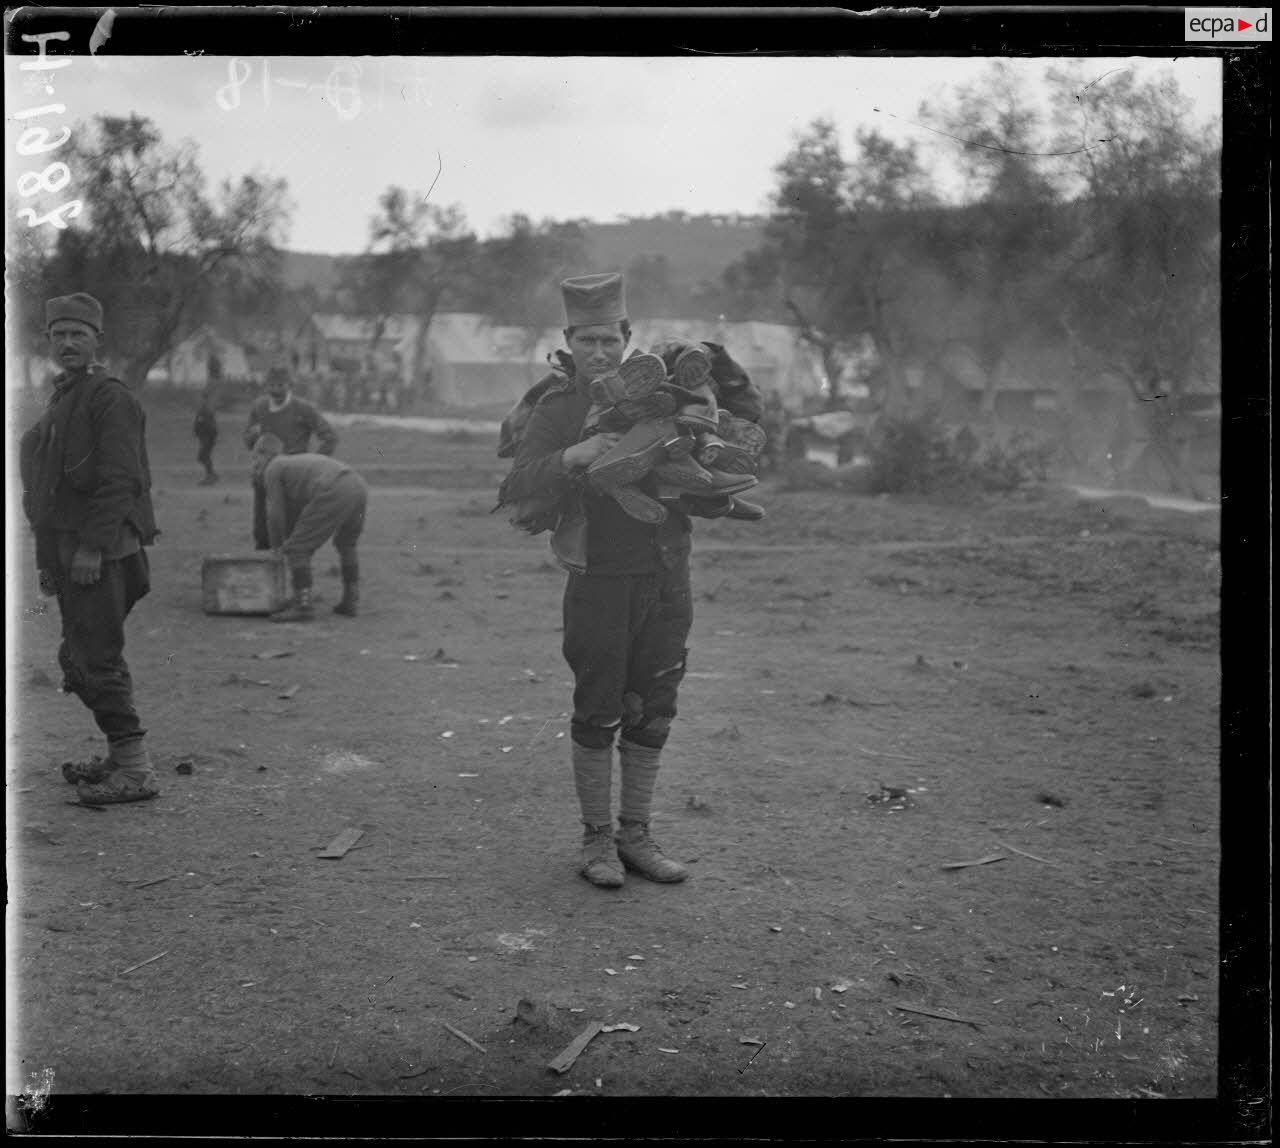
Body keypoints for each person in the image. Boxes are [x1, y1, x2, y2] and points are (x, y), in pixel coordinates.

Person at [498, 271, 750, 891]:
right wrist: (572, 457)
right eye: (586, 341)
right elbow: (517, 483)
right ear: (569, 340)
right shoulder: (556, 408)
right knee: (598, 704)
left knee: (656, 702)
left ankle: (637, 834)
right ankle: (596, 842)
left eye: (609, 340)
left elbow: (729, 416)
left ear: (627, 336)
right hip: (598, 576)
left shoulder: (662, 391)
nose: (599, 352)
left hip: (666, 570)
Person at [18, 292, 161, 804]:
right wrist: (47, 562)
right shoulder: (65, 396)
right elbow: (46, 493)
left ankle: (137, 771)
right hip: (69, 553)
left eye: (79, 333)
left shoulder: (109, 397)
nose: (68, 342)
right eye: (59, 334)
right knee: (81, 659)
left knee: (94, 659)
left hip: (103, 554)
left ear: (98, 340)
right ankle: (120, 756)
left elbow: (120, 481)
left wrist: (93, 549)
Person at [251, 434, 367, 622]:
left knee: (297, 548)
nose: (254, 465)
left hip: (335, 487)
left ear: (265, 454)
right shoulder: (293, 466)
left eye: (255, 458)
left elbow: (274, 515)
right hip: (358, 485)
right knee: (346, 544)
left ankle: (303, 605)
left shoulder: (273, 468)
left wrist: (277, 549)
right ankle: (350, 599)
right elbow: (295, 516)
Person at [243, 365, 339, 550]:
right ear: (266, 386)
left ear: (290, 385)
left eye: (281, 385)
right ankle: (266, 571)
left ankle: (293, 569)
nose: (276, 390)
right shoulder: (259, 407)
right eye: (271, 385)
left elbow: (330, 438)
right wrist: (252, 436)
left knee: (289, 529)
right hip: (263, 477)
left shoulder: (303, 409)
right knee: (262, 531)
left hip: (291, 480)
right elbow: (248, 442)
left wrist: (312, 464)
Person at [193, 391, 219, 484]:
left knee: (203, 456)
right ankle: (211, 475)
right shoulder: (203, 410)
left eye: (202, 399)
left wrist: (209, 437)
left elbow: (210, 425)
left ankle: (211, 476)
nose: (200, 400)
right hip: (205, 438)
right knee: (203, 456)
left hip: (207, 438)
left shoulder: (205, 411)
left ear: (205, 400)